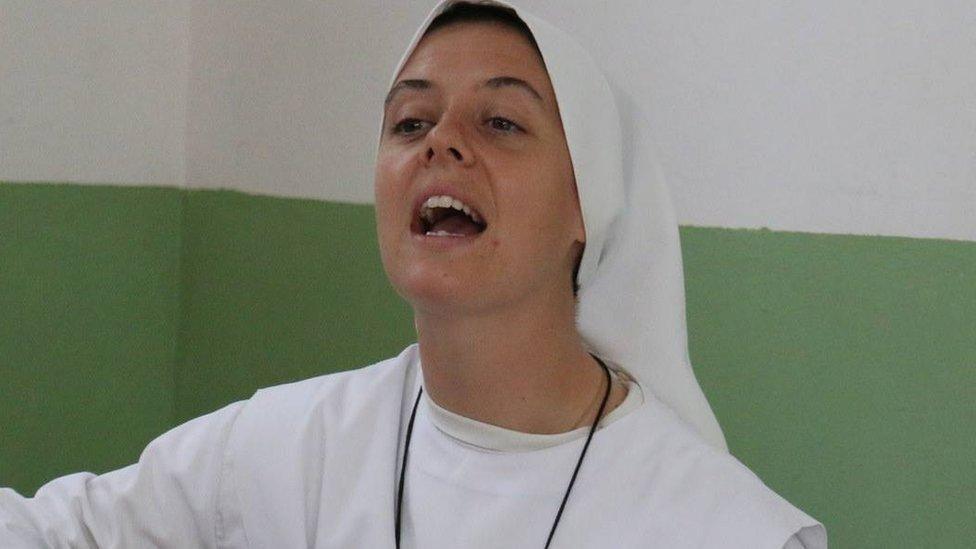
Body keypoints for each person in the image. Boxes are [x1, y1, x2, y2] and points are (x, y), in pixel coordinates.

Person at [0, 1, 827, 547]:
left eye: (501, 121)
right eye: (410, 120)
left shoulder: (723, 528)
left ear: (591, 204)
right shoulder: (292, 446)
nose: (441, 142)